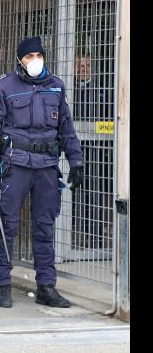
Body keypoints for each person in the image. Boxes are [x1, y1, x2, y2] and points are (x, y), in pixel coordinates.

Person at [0, 36, 83, 309]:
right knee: (7, 225)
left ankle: (46, 286)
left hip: (47, 166)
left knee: (45, 227)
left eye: (38, 55)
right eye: (29, 57)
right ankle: (2, 284)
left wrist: (76, 160)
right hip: (16, 164)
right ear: (19, 60)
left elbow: (66, 126)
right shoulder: (3, 86)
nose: (34, 61)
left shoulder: (56, 87)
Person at [73, 54, 112, 249]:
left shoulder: (102, 90)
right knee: (67, 192)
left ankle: (94, 239)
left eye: (87, 65)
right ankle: (66, 238)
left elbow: (109, 119)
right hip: (69, 149)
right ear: (73, 67)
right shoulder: (67, 88)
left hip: (93, 150)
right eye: (80, 65)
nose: (83, 68)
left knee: (92, 193)